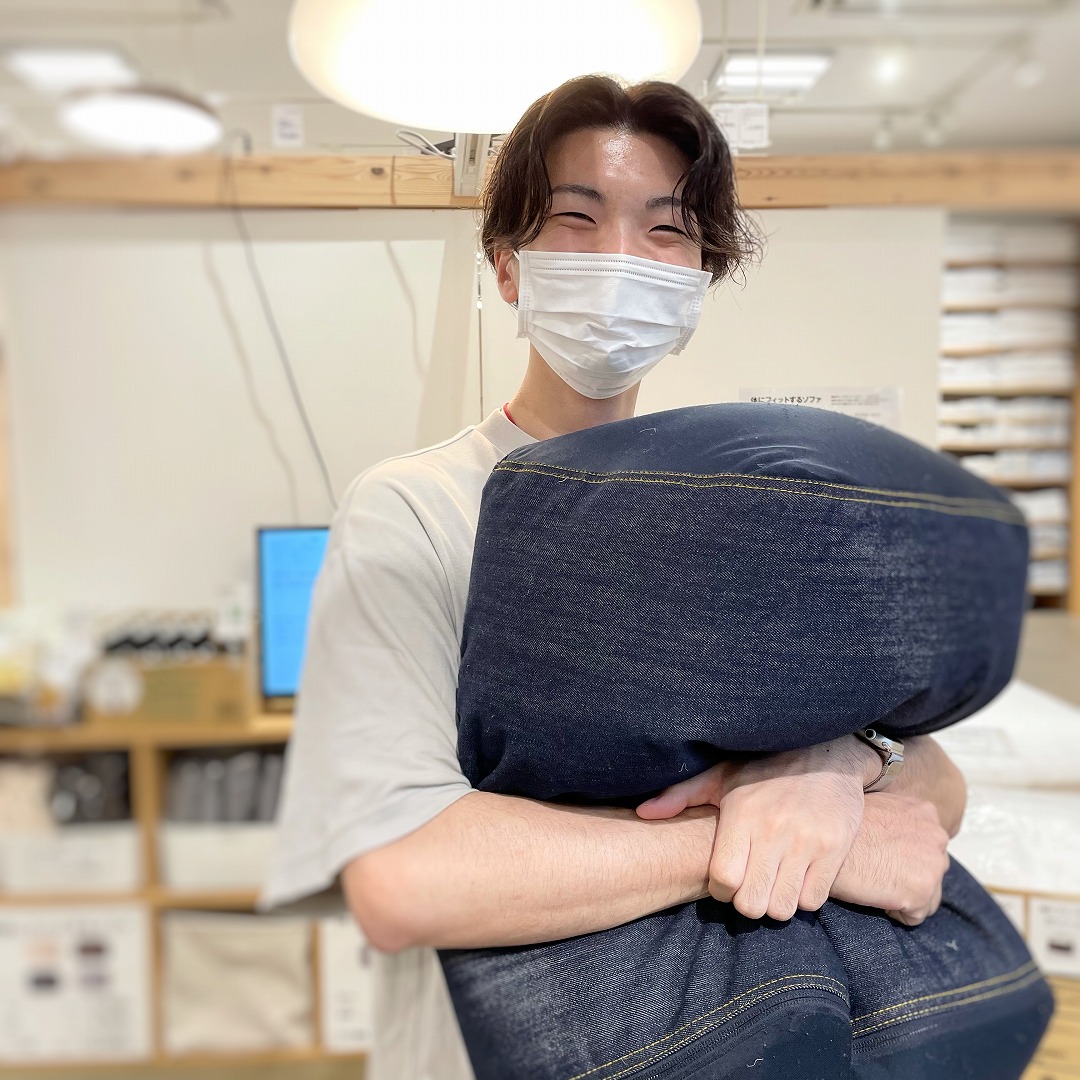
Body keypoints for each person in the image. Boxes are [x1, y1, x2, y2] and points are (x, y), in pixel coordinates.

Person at [262, 75, 970, 1080]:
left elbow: (937, 793)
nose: (621, 259)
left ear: (699, 281)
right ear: (508, 268)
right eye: (576, 219)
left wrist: (839, 765)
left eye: (665, 230)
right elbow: (400, 876)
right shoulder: (414, 512)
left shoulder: (746, 512)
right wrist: (758, 842)